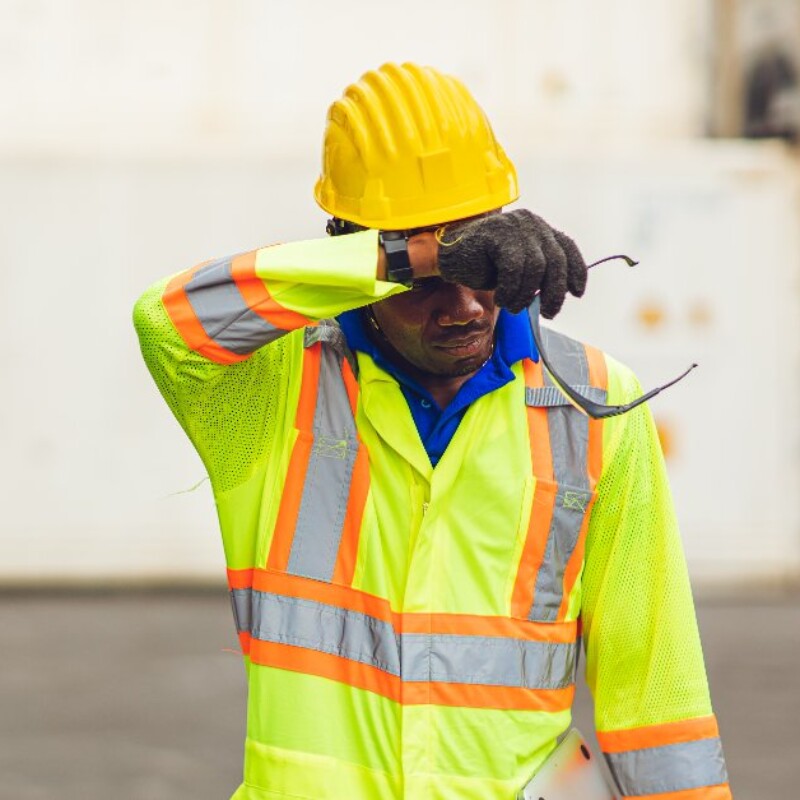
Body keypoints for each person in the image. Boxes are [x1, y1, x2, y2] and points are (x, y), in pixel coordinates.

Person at [134, 62, 732, 800]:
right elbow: (164, 322)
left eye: (479, 261)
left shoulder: (596, 403)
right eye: (427, 278)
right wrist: (408, 256)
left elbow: (656, 694)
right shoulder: (274, 387)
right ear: (357, 256)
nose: (465, 307)